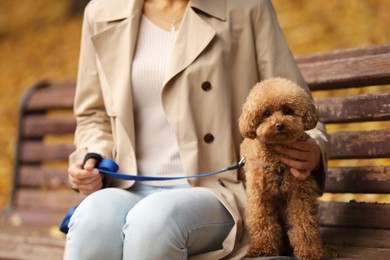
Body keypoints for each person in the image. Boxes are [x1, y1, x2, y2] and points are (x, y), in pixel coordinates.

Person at [66, 0, 329, 259]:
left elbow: (294, 99)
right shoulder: (101, 12)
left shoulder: (247, 7)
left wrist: (313, 149)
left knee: (153, 222)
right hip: (128, 185)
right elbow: (93, 114)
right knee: (91, 219)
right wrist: (92, 157)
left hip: (218, 189)